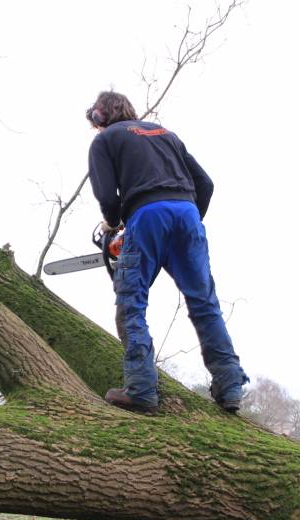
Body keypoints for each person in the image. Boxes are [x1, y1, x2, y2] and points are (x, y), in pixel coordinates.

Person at [86, 90, 248, 415]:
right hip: (188, 214)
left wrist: (114, 225)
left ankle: (141, 389)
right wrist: (185, 223)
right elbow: (206, 184)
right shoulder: (165, 134)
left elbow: (106, 195)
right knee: (204, 304)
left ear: (100, 117)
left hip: (146, 217)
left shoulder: (105, 141)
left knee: (131, 305)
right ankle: (230, 386)